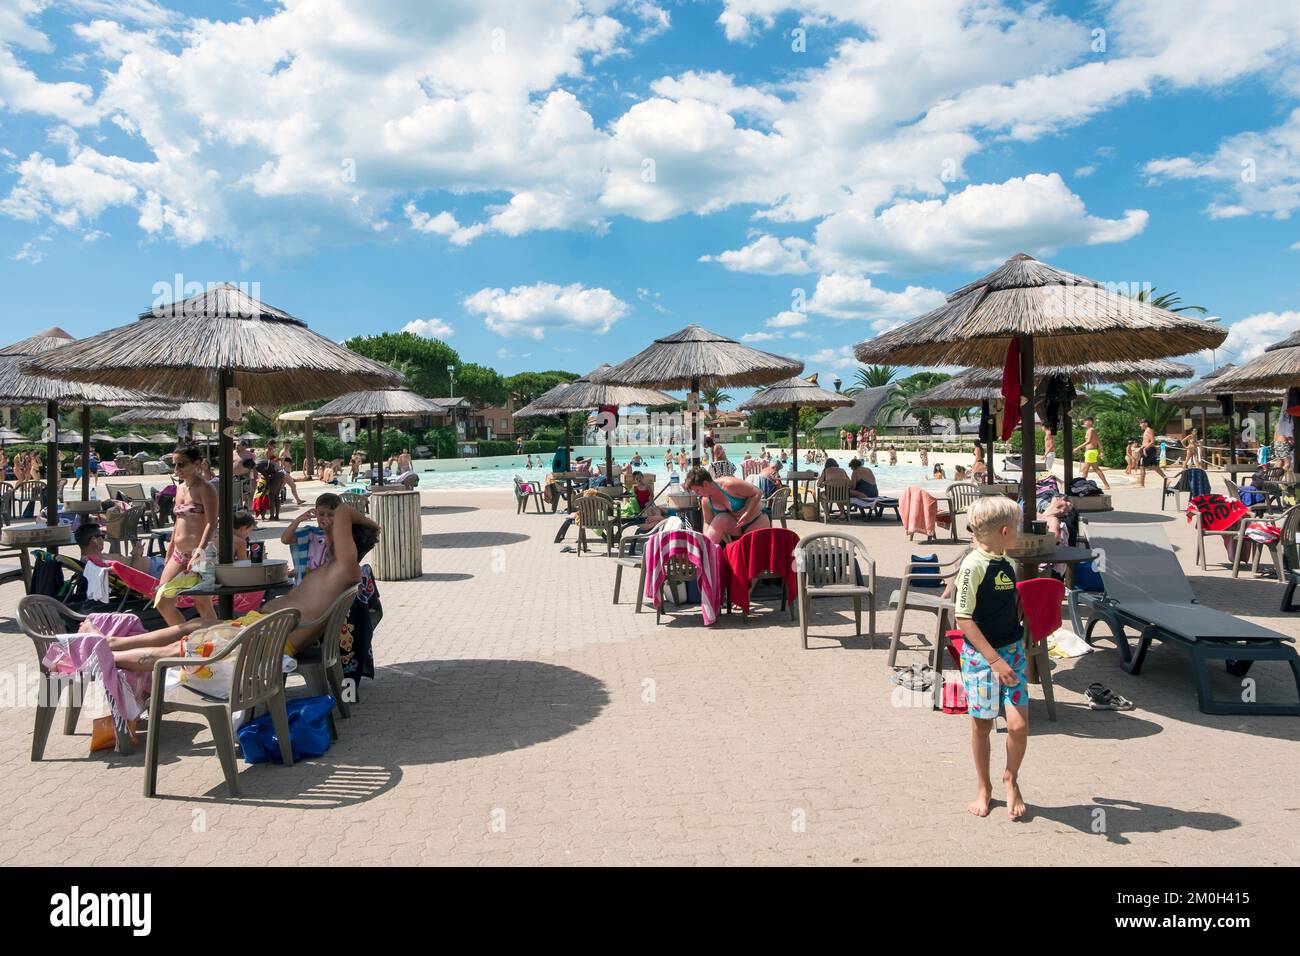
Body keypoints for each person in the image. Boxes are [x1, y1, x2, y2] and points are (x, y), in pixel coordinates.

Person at [109, 501, 376, 669]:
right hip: (260, 630)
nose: (326, 531)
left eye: (333, 531)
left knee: (175, 650)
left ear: (348, 543)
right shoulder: (332, 569)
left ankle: (103, 659)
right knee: (195, 625)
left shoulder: (345, 570)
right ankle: (114, 643)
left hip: (265, 642)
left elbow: (340, 509)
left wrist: (364, 522)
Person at [952, 495, 1029, 821]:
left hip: (1012, 652)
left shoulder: (1006, 561)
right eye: (1018, 527)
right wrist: (993, 660)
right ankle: (984, 787)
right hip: (983, 659)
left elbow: (1008, 602)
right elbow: (963, 618)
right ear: (1003, 530)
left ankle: (1011, 777)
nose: (1020, 532)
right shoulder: (973, 565)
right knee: (982, 724)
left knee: (1019, 724)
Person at [154, 445, 219, 627]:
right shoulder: (180, 488)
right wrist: (169, 551)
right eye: (174, 465)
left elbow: (212, 522)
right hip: (179, 553)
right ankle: (183, 636)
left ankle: (216, 641)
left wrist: (200, 550)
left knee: (202, 603)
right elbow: (178, 522)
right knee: (162, 600)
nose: (177, 470)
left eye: (181, 464)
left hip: (200, 552)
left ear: (197, 463)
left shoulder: (205, 488)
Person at [682, 466, 770, 546]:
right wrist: (706, 539)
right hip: (736, 527)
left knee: (753, 558)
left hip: (755, 520)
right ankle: (706, 552)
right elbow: (707, 522)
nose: (698, 494)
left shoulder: (730, 485)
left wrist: (747, 513)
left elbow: (757, 492)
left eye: (697, 491)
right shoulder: (705, 500)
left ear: (705, 484)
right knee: (719, 519)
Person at [1073, 417, 1111, 490]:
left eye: (1085, 422)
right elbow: (1099, 441)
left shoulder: (1091, 430)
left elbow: (1089, 441)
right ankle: (1106, 485)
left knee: (1087, 470)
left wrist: (1077, 448)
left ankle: (1082, 486)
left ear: (1090, 422)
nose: (1084, 423)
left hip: (1090, 452)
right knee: (1091, 469)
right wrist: (1102, 452)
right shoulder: (1092, 430)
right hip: (1091, 452)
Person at [1138, 418, 1165, 488]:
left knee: (1142, 466)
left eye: (1141, 423)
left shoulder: (1149, 430)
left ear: (1145, 423)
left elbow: (1152, 441)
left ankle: (1141, 485)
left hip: (1148, 450)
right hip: (1149, 449)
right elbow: (1147, 442)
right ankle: (1166, 479)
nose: (1139, 425)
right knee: (1154, 466)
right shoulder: (1147, 430)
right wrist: (1141, 448)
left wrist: (1145, 449)